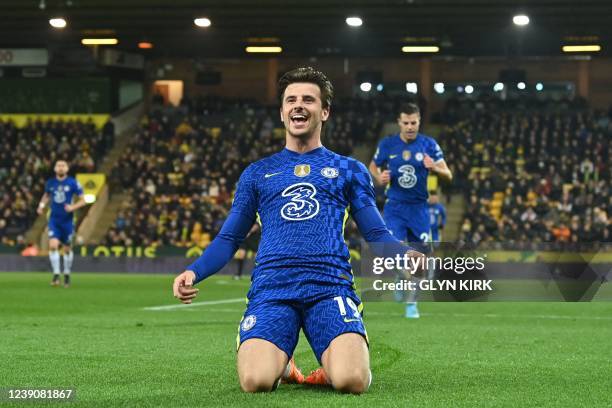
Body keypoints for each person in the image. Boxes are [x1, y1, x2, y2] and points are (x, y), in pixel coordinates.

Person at [173, 67, 421, 394]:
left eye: (308, 99)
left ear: (325, 111)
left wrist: (406, 256)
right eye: (291, 100)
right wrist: (194, 271)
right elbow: (230, 237)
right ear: (281, 112)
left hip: (329, 287)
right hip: (273, 288)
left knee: (352, 381)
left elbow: (376, 234)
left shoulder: (350, 170)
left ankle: (330, 366)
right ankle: (283, 362)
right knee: (255, 382)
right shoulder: (257, 173)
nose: (298, 105)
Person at [369, 103, 452, 318]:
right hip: (394, 206)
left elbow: (448, 174)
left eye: (413, 122)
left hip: (419, 210)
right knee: (389, 252)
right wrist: (379, 178)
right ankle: (401, 277)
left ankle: (411, 304)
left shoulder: (428, 144)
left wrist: (435, 168)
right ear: (399, 123)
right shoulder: (388, 144)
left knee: (420, 259)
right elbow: (372, 166)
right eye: (405, 123)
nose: (409, 127)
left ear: (419, 121)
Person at [37, 160, 86, 287]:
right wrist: (41, 205)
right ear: (55, 169)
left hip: (68, 221)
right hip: (54, 219)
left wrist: (73, 207)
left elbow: (83, 200)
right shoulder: (50, 183)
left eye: (63, 165)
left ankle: (67, 274)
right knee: (53, 245)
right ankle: (56, 274)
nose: (60, 168)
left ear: (67, 168)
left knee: (67, 249)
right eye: (58, 165)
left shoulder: (73, 182)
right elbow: (46, 195)